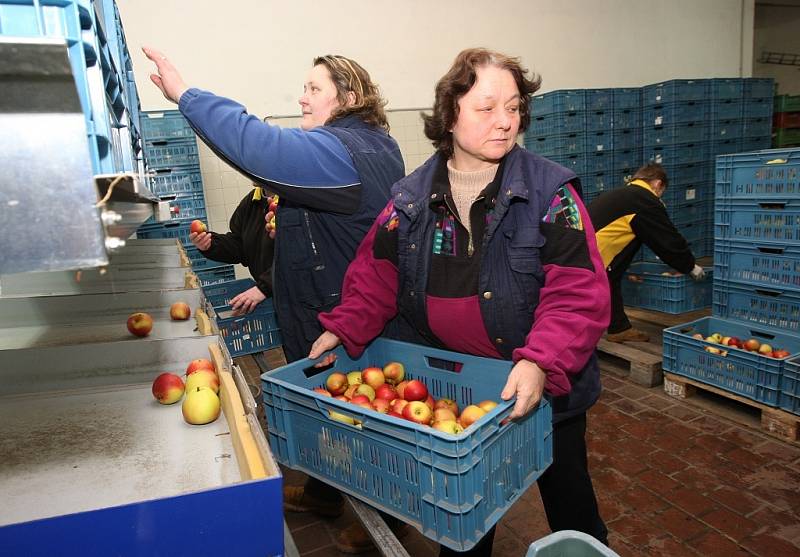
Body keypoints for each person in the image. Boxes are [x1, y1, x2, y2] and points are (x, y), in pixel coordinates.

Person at [308, 48, 611, 556]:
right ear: (450, 114)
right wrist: (345, 327)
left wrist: (542, 359)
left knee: (570, 502)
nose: (505, 122)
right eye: (487, 108)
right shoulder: (408, 200)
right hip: (462, 391)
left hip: (544, 393)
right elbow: (376, 276)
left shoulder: (549, 194)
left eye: (513, 108)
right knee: (466, 518)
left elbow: (577, 292)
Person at [144, 48, 406, 553]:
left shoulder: (348, 151)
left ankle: (390, 519)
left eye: (313, 88)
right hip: (321, 309)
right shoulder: (354, 147)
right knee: (333, 414)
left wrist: (186, 95)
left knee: (367, 422)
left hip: (346, 320)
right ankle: (328, 494)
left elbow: (259, 148)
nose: (301, 97)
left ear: (348, 98)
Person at [587, 163, 706, 343]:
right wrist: (689, 266)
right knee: (609, 275)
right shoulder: (644, 200)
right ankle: (613, 328)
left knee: (612, 275)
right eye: (662, 191)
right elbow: (666, 240)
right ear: (658, 184)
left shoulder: (622, 195)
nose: (660, 196)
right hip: (592, 257)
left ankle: (618, 328)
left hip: (580, 251)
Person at [189, 184, 276, 314]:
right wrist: (210, 244)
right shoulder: (252, 201)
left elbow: (297, 256)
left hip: (297, 297)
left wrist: (265, 287)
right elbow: (239, 245)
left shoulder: (292, 201)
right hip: (271, 296)